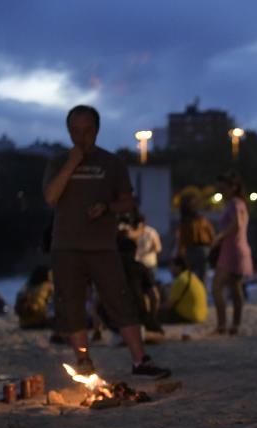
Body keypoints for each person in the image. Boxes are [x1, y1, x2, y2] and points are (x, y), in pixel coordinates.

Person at [42, 104, 170, 378]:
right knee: (72, 304)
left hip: (103, 247)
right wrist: (72, 163)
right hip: (66, 247)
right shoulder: (58, 162)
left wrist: (107, 207)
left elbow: (128, 201)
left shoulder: (112, 164)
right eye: (75, 131)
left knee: (120, 301)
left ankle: (140, 360)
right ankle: (83, 362)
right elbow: (51, 197)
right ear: (68, 131)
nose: (81, 137)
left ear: (97, 130)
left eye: (87, 130)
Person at [210, 172, 253, 335]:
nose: (221, 191)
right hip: (237, 248)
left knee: (216, 287)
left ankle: (222, 325)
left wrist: (219, 237)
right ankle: (235, 325)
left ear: (233, 187)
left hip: (232, 249)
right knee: (235, 287)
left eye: (223, 188)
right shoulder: (238, 203)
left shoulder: (234, 203)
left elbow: (237, 224)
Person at [175, 200, 215, 284]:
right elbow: (211, 234)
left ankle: (194, 293)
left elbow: (181, 240)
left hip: (191, 250)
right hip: (203, 250)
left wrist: (179, 253)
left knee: (191, 277)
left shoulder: (185, 222)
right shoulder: (202, 220)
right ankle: (201, 294)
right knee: (202, 277)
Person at [160, 256, 207, 324]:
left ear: (178, 267)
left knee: (157, 315)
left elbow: (169, 305)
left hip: (189, 316)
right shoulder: (192, 276)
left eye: (172, 266)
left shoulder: (180, 280)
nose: (170, 270)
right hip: (201, 316)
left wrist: (156, 307)